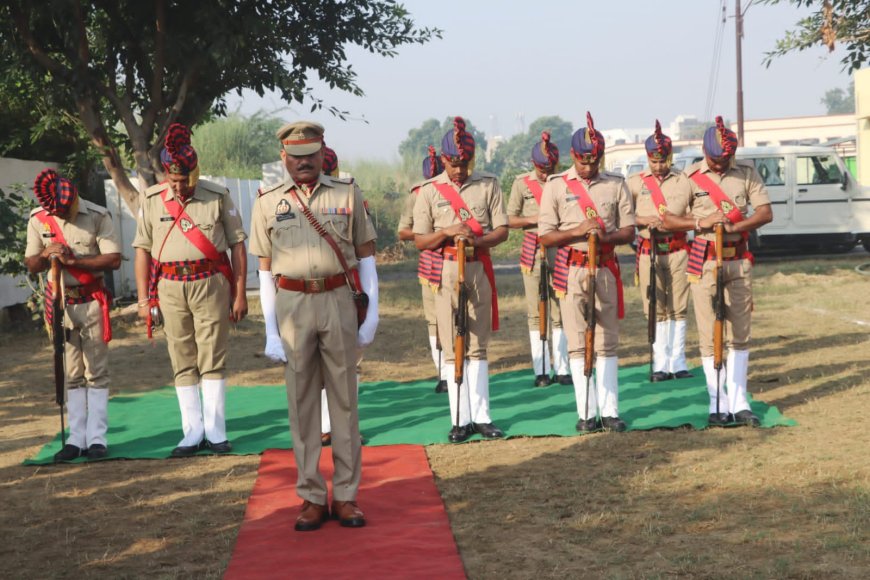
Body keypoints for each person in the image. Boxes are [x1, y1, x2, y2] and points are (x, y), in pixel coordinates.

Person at [250, 120, 379, 531]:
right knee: (302, 403)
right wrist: (270, 330)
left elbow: (367, 259)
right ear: (283, 158)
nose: (304, 163)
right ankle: (310, 496)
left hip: (338, 299)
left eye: (311, 156)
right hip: (291, 304)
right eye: (296, 157)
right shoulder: (267, 202)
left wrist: (372, 314)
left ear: (323, 154)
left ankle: (345, 495)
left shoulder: (347, 194)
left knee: (344, 400)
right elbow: (264, 271)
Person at [133, 123, 248, 457]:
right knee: (181, 358)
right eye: (173, 179)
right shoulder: (153, 200)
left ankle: (215, 431)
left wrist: (239, 293)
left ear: (195, 173)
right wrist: (143, 298)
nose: (179, 185)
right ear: (166, 174)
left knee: (212, 356)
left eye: (184, 179)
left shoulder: (217, 196)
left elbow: (237, 245)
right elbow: (142, 249)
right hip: (169, 286)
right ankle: (191, 432)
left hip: (210, 283)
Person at [662, 116, 772, 427]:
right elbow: (669, 219)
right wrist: (700, 223)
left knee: (739, 333)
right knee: (711, 334)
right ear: (704, 151)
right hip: (704, 260)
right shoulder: (690, 177)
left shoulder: (747, 173)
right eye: (715, 158)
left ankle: (739, 402)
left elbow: (765, 212)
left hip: (738, 259)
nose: (721, 164)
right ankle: (716, 403)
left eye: (726, 158)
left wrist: (737, 225)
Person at [538, 113, 635, 433]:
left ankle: (610, 411)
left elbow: (629, 232)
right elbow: (546, 236)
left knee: (607, 341)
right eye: (583, 161)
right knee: (578, 342)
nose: (589, 167)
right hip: (572, 267)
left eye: (594, 161)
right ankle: (586, 412)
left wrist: (604, 237)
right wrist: (579, 230)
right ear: (573, 157)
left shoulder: (616, 184)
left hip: (605, 266)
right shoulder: (555, 186)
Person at [413, 116, 508, 443]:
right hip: (446, 270)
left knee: (478, 346)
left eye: (465, 163)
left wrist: (476, 241)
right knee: (454, 346)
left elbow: (502, 230)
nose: (459, 170)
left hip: (478, 265)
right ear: (443, 160)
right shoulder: (428, 191)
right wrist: (448, 232)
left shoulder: (489, 184)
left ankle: (482, 416)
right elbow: (420, 241)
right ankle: (459, 418)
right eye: (453, 164)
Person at [25, 170, 121, 461]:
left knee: (97, 372)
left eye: (66, 209)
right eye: (57, 211)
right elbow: (31, 264)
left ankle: (97, 438)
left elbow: (114, 259)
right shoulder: (38, 218)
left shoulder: (97, 215)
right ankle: (76, 439)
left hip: (91, 300)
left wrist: (74, 260)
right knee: (72, 374)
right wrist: (45, 255)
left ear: (75, 199)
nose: (62, 214)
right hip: (60, 304)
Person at [626, 121, 694, 382]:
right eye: (654, 161)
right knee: (655, 306)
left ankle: (678, 361)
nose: (658, 166)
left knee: (679, 306)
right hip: (648, 251)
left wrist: (671, 221)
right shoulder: (634, 182)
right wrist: (644, 221)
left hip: (677, 250)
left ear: (670, 157)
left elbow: (693, 212)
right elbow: (625, 215)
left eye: (663, 160)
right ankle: (660, 361)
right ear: (648, 159)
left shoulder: (683, 180)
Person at [507, 131, 571, 387]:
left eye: (549, 168)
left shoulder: (565, 181)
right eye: (541, 168)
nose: (545, 173)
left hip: (559, 245)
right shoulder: (521, 183)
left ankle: (564, 368)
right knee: (536, 310)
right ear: (534, 164)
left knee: (561, 308)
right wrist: (536, 220)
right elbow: (510, 218)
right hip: (533, 247)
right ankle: (541, 368)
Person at [398, 145, 447, 393]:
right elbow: (403, 231)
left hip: (455, 258)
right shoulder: (418, 194)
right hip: (430, 260)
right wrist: (430, 235)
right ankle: (443, 372)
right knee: (434, 320)